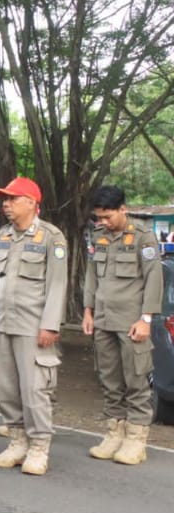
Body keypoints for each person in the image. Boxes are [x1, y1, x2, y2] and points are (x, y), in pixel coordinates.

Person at [0, 177, 68, 475]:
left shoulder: (51, 237)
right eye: (4, 199)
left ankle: (39, 447)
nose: (6, 204)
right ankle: (17, 442)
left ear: (31, 202)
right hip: (4, 322)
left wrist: (50, 324)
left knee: (35, 389)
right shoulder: (4, 235)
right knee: (5, 386)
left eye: (12, 199)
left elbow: (57, 284)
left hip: (33, 325)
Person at [84, 184, 164, 465]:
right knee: (109, 379)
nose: (103, 222)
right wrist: (88, 311)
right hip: (103, 319)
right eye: (98, 218)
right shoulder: (98, 237)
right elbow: (92, 275)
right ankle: (113, 433)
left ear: (122, 209)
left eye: (107, 217)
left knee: (136, 380)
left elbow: (154, 278)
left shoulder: (143, 238)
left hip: (131, 322)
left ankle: (136, 439)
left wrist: (146, 319)